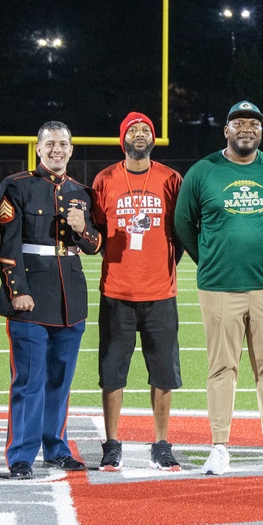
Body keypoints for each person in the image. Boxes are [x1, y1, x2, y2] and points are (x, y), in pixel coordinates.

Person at [174, 100, 263, 476]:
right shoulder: (203, 171)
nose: (247, 128)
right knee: (221, 368)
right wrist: (212, 259)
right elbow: (184, 224)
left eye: (254, 123)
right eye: (239, 122)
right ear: (225, 130)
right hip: (219, 286)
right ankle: (219, 447)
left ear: (261, 131)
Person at [0, 121, 102, 479]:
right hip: (31, 300)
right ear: (39, 149)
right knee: (28, 380)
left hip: (71, 299)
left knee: (60, 380)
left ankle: (56, 447)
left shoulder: (81, 193)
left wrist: (81, 227)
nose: (57, 150)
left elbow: (94, 246)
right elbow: (8, 246)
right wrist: (17, 291)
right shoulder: (17, 186)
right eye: (50, 144)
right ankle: (20, 454)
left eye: (64, 144)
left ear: (71, 150)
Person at [90, 112, 183, 471]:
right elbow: (95, 234)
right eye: (134, 129)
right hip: (117, 292)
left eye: (146, 129)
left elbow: (183, 226)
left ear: (153, 138)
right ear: (123, 138)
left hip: (161, 292)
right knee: (112, 373)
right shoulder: (105, 179)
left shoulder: (171, 178)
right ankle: (112, 443)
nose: (140, 134)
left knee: (163, 374)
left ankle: (161, 443)